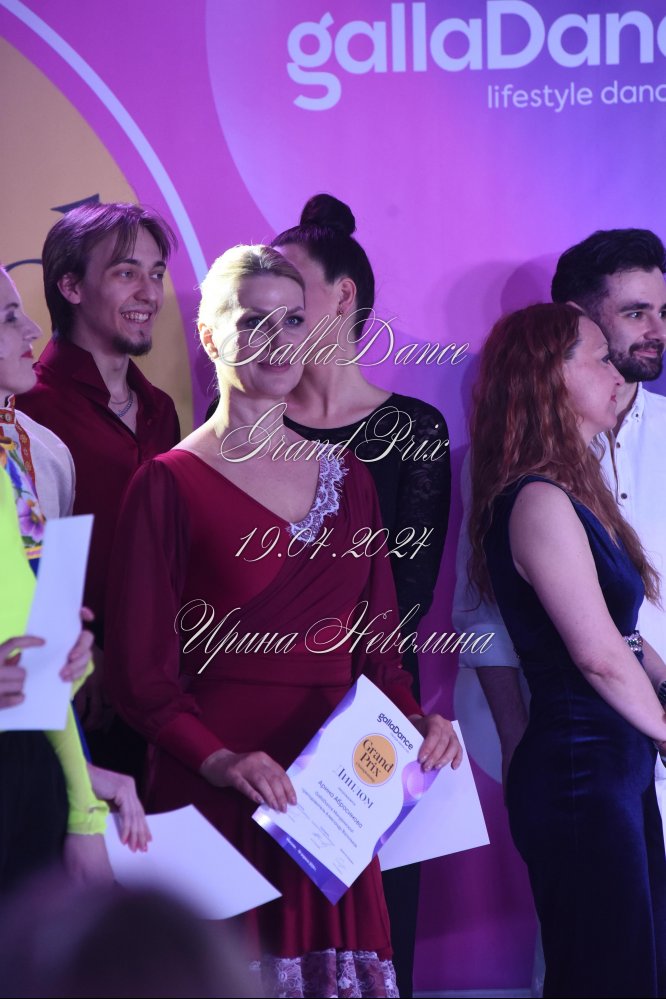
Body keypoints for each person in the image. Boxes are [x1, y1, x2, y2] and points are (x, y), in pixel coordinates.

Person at [106, 244, 461, 999]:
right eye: (252, 321)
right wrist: (221, 761)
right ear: (210, 336)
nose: (276, 340)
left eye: (293, 320)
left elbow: (379, 651)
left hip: (332, 803)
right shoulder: (164, 484)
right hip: (215, 791)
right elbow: (138, 677)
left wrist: (414, 720)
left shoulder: (354, 479)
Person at [270, 194, 451, 998]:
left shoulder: (414, 429)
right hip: (259, 718)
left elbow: (404, 600)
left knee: (377, 945)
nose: (267, 303)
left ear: (343, 295)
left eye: (288, 284)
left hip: (369, 720)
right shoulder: (239, 422)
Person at [468, 302, 666, 997]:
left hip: (614, 767)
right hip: (581, 772)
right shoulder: (537, 501)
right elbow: (598, 655)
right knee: (607, 976)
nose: (619, 373)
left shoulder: (572, 490)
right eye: (601, 358)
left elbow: (626, 640)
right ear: (551, 376)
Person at [454, 229, 666, 794]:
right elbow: (482, 612)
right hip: (582, 756)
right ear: (578, 317)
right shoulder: (510, 462)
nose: (658, 331)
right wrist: (515, 742)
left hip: (647, 738)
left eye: (663, 312)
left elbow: (624, 635)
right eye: (636, 312)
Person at [17, 202, 181, 776]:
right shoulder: (25, 409)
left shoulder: (161, 410)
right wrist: (79, 649)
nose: (150, 293)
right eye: (126, 272)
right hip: (65, 683)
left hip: (160, 682)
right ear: (71, 286)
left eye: (156, 273)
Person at [0, 263, 150, 853]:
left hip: (32, 769)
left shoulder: (35, 455)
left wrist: (82, 791)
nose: (33, 330)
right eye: (9, 318)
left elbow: (36, 660)